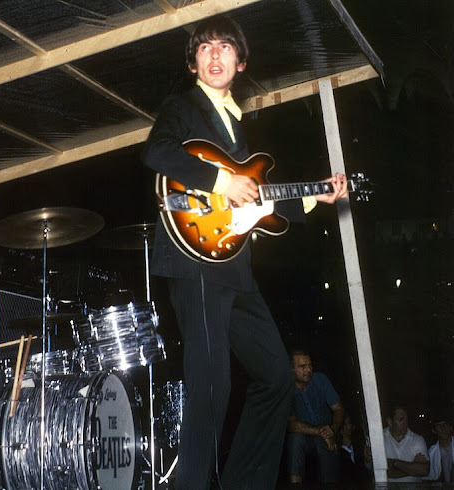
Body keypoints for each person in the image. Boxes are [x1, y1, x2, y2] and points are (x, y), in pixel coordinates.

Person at [142, 15, 349, 489]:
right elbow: (157, 153)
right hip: (195, 260)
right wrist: (222, 180)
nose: (215, 55)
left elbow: (250, 205)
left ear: (241, 62)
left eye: (225, 47)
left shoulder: (238, 123)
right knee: (212, 386)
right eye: (205, 48)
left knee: (277, 376)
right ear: (193, 63)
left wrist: (314, 197)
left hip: (234, 267)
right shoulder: (183, 106)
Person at [286, 350, 345, 484]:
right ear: (291, 370)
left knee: (326, 447)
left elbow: (338, 409)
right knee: (295, 439)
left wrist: (332, 429)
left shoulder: (321, 380)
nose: (308, 370)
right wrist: (320, 432)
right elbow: (292, 425)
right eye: (302, 366)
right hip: (306, 437)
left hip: (328, 435)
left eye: (310, 365)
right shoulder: (286, 389)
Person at [383, 405, 429, 482]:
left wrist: (394, 463)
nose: (405, 423)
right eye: (400, 420)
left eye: (406, 420)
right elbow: (383, 472)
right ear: (390, 422)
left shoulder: (417, 440)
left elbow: (424, 470)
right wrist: (413, 467)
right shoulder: (380, 438)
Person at [425, 411, 454, 482]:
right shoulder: (430, 453)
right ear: (434, 431)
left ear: (451, 427)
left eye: (445, 424)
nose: (443, 428)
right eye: (439, 425)